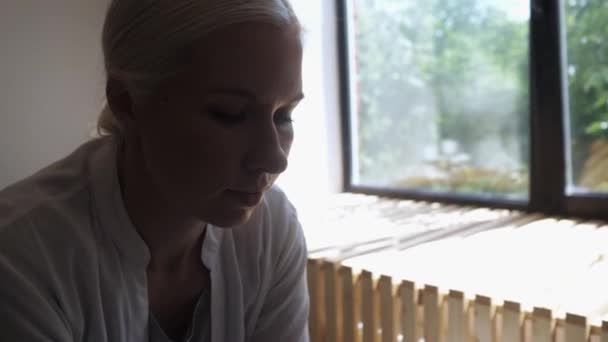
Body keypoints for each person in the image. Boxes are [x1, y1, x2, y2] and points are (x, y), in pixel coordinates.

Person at [0, 0, 310, 341]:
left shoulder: (270, 228)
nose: (274, 159)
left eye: (284, 116)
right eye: (229, 113)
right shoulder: (20, 256)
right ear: (127, 103)